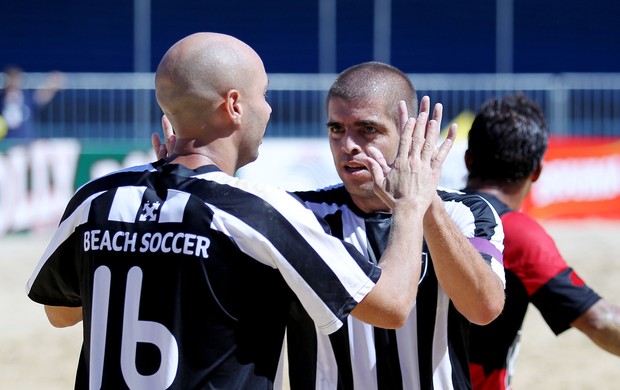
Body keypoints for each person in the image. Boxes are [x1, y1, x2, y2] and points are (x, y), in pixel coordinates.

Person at [25, 33, 456, 389]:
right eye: (263, 95)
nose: (268, 109)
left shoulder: (96, 198)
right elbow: (393, 306)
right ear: (234, 105)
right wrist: (412, 203)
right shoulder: (258, 213)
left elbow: (60, 312)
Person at [157, 61, 506, 389]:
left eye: (368, 130)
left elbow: (484, 308)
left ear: (409, 133)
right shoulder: (297, 214)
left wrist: (421, 202)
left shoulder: (465, 211)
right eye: (337, 129)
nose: (348, 145)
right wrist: (179, 178)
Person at [463, 93, 620, 390]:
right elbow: (600, 320)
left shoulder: (426, 215)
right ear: (537, 172)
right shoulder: (515, 232)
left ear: (468, 159)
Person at [0, 66, 64, 140]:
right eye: (11, 80)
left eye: (16, 80)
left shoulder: (27, 98)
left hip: (26, 143)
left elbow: (42, 95)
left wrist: (52, 83)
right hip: (5, 143)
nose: (13, 83)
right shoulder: (1, 99)